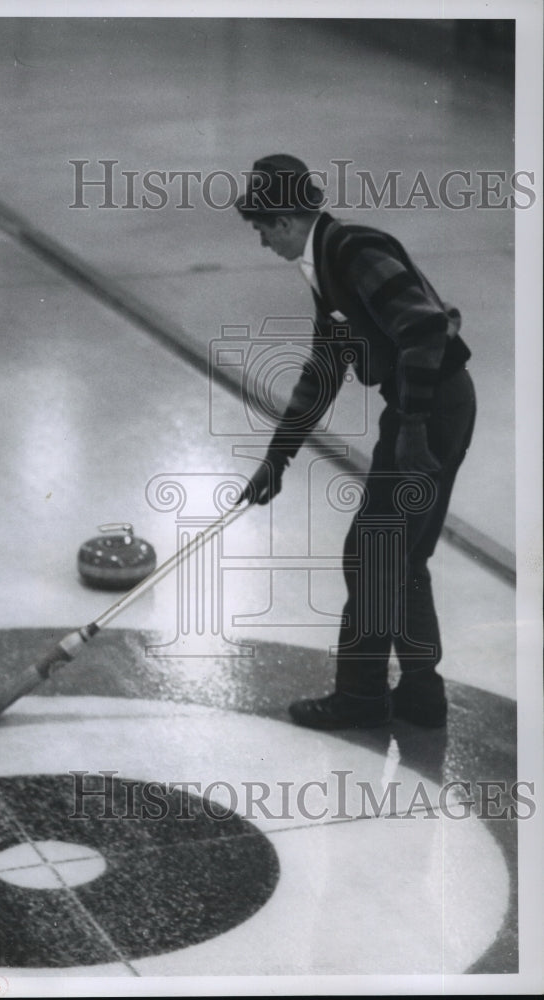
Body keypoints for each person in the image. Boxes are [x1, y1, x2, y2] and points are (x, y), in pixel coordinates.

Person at [236, 154, 476, 730]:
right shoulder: (325, 268)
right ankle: (421, 694)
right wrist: (278, 458)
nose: (263, 240)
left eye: (262, 227)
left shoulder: (353, 252)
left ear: (288, 218)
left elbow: (423, 329)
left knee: (371, 554)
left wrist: (413, 430)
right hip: (430, 405)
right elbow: (323, 371)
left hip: (431, 409)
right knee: (399, 554)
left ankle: (362, 696)